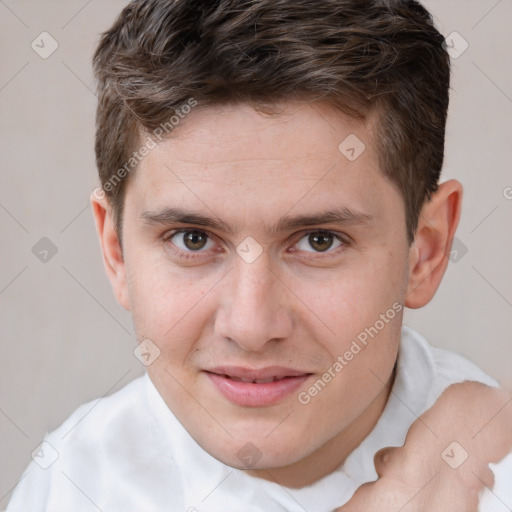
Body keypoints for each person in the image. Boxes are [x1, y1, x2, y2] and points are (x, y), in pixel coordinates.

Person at [7, 0, 512, 510]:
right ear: (115, 251)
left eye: (320, 240)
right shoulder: (68, 482)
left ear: (424, 252)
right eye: (193, 239)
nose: (250, 326)